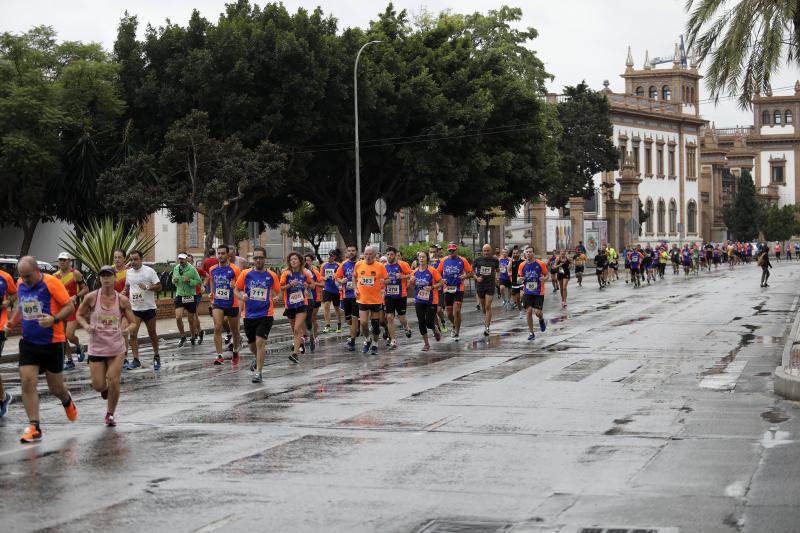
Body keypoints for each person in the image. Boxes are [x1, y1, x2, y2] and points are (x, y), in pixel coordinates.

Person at [5, 257, 77, 443]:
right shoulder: (21, 283)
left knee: (56, 388)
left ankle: (67, 401)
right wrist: (10, 323)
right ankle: (34, 426)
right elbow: (21, 306)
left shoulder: (52, 283)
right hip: (29, 343)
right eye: (21, 276)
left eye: (28, 276)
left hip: (52, 342)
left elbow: (69, 306)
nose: (24, 280)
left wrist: (53, 320)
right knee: (27, 381)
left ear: (38, 271)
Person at [76, 265, 137, 427]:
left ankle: (110, 414)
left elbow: (133, 323)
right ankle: (104, 389)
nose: (106, 279)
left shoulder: (122, 300)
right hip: (97, 347)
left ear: (114, 278)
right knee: (98, 385)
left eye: (109, 276)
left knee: (113, 380)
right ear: (99, 279)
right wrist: (86, 326)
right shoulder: (91, 297)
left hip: (116, 347)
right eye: (103, 276)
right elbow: (79, 315)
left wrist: (126, 331)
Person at [235, 247, 281, 383]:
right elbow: (236, 290)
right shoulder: (245, 274)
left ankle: (258, 372)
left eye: (260, 257)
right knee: (251, 344)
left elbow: (278, 292)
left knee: (260, 341)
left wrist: (277, 297)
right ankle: (258, 357)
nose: (258, 260)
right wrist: (242, 296)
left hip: (266, 313)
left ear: (265, 259)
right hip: (249, 315)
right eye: (255, 258)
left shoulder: (272, 275)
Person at [123, 250, 162, 370]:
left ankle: (156, 356)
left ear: (141, 259)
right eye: (131, 260)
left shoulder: (149, 271)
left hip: (149, 308)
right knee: (133, 334)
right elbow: (127, 287)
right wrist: (123, 292)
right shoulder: (128, 273)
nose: (133, 262)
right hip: (135, 309)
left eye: (135, 259)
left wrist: (148, 287)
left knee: (152, 334)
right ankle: (136, 359)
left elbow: (160, 287)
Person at [209, 245, 242, 365]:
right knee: (217, 326)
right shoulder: (212, 269)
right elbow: (212, 281)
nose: (220, 256)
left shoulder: (235, 269)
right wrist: (211, 292)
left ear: (228, 255)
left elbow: (241, 286)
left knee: (235, 331)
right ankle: (219, 355)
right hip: (218, 302)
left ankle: (235, 351)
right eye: (219, 253)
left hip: (232, 303)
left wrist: (235, 286)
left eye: (223, 253)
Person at [54, 252, 88, 370]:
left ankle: (79, 345)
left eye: (64, 260)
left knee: (69, 335)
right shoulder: (55, 276)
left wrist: (76, 296)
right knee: (62, 337)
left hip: (73, 308)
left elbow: (86, 289)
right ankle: (69, 360)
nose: (62, 262)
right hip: (60, 309)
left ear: (69, 261)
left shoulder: (76, 274)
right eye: (60, 260)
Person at [353, 246, 390, 355]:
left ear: (374, 255)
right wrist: (355, 288)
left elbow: (387, 279)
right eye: (366, 254)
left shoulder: (380, 266)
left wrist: (384, 282)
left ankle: (375, 344)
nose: (368, 256)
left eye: (370, 254)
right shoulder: (358, 264)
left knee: (375, 324)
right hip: (363, 299)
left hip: (376, 299)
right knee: (363, 323)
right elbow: (354, 277)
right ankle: (367, 339)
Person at [437, 243, 473, 340]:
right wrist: (441, 280)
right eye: (450, 251)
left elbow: (471, 272)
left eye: (453, 250)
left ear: (456, 250)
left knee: (457, 311)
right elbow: (437, 272)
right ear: (448, 251)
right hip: (447, 288)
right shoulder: (444, 260)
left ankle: (456, 331)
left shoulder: (462, 260)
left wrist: (465, 276)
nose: (452, 252)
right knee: (449, 314)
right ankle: (455, 325)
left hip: (458, 288)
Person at [281, 252, 313, 362]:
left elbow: (313, 285)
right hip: (289, 305)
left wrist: (307, 285)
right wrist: (290, 285)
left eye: (295, 259)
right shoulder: (286, 274)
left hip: (301, 304)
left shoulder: (305, 273)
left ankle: (295, 354)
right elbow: (280, 287)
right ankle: (301, 343)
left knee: (297, 328)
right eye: (291, 260)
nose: (293, 261)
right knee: (294, 331)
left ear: (300, 261)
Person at [409, 251, 444, 351]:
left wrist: (432, 287)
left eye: (423, 257)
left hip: (431, 300)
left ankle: (435, 329)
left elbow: (441, 283)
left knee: (429, 322)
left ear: (427, 259)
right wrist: (411, 281)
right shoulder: (414, 272)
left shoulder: (432, 271)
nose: (421, 259)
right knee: (421, 322)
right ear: (418, 259)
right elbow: (410, 287)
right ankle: (426, 344)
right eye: (420, 257)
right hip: (419, 300)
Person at [383, 247, 412, 349]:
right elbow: (381, 280)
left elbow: (412, 275)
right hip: (389, 296)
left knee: (401, 317)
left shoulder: (402, 264)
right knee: (389, 317)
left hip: (401, 295)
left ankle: (406, 327)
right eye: (388, 254)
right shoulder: (384, 266)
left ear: (395, 255)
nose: (389, 256)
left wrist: (402, 276)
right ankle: (393, 341)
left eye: (391, 254)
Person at [172, 253, 202, 347]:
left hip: (190, 296)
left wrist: (189, 281)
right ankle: (183, 336)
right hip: (180, 295)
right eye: (179, 259)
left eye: (183, 259)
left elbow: (198, 281)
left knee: (191, 319)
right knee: (178, 317)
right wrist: (174, 281)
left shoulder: (192, 269)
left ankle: (193, 336)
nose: (181, 261)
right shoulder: (176, 268)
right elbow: (172, 280)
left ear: (186, 260)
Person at [518, 247, 548, 340]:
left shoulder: (540, 264)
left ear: (533, 253)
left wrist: (545, 279)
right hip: (527, 291)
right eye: (527, 252)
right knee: (529, 311)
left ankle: (541, 319)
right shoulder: (522, 265)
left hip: (539, 291)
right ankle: (531, 333)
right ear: (525, 254)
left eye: (530, 252)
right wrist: (520, 280)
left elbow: (547, 274)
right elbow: (519, 278)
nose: (528, 254)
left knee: (538, 313)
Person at [0, 268, 18, 417]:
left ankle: (3, 398)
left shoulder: (5, 277)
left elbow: (14, 294)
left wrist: (7, 302)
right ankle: (3, 397)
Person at [335, 245, 360, 351]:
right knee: (349, 320)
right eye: (349, 251)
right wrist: (341, 281)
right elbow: (337, 277)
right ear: (347, 252)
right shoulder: (343, 265)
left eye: (353, 251)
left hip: (358, 296)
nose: (351, 253)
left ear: (356, 252)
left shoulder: (360, 264)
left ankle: (352, 340)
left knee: (354, 318)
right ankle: (355, 329)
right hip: (346, 295)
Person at [472, 244, 500, 335]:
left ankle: (487, 327)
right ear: (482, 251)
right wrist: (477, 278)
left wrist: (497, 278)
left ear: (490, 251)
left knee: (488, 306)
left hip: (490, 285)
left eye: (488, 250)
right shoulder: (477, 260)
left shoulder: (495, 260)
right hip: (480, 285)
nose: (486, 252)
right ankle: (487, 319)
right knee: (484, 308)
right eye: (485, 250)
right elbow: (471, 271)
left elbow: (498, 270)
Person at [303, 253, 324, 351]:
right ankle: (305, 335)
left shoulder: (315, 272)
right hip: (304, 298)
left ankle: (315, 336)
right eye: (305, 260)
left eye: (308, 260)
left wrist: (312, 283)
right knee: (304, 318)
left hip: (315, 298)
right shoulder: (301, 272)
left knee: (312, 318)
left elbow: (322, 284)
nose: (307, 262)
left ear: (312, 261)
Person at [320, 250, 343, 334]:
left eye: (332, 256)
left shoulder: (338, 265)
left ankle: (339, 324)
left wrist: (336, 277)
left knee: (337, 308)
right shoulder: (324, 265)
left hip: (336, 289)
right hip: (327, 288)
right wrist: (324, 278)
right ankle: (327, 325)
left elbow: (341, 275)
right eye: (329, 256)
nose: (330, 257)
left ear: (335, 257)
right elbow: (320, 276)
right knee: (326, 305)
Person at [186, 253, 205, 344]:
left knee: (193, 314)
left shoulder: (196, 270)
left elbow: (207, 276)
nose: (188, 263)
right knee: (192, 315)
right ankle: (198, 331)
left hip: (196, 294)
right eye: (187, 261)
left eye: (190, 261)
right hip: (187, 294)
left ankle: (195, 334)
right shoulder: (182, 271)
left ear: (193, 262)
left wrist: (203, 286)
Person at [429, 244, 448, 332]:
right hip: (429, 290)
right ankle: (437, 328)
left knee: (439, 309)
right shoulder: (425, 262)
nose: (432, 253)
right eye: (430, 252)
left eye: (434, 252)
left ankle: (443, 321)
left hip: (439, 289)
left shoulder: (441, 261)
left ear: (437, 252)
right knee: (432, 312)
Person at [509, 246, 524, 318]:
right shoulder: (512, 262)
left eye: (516, 253)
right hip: (515, 283)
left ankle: (524, 303)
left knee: (521, 295)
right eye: (514, 253)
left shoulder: (523, 261)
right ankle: (521, 311)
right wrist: (511, 259)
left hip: (522, 282)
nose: (515, 254)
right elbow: (508, 269)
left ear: (519, 254)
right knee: (517, 299)